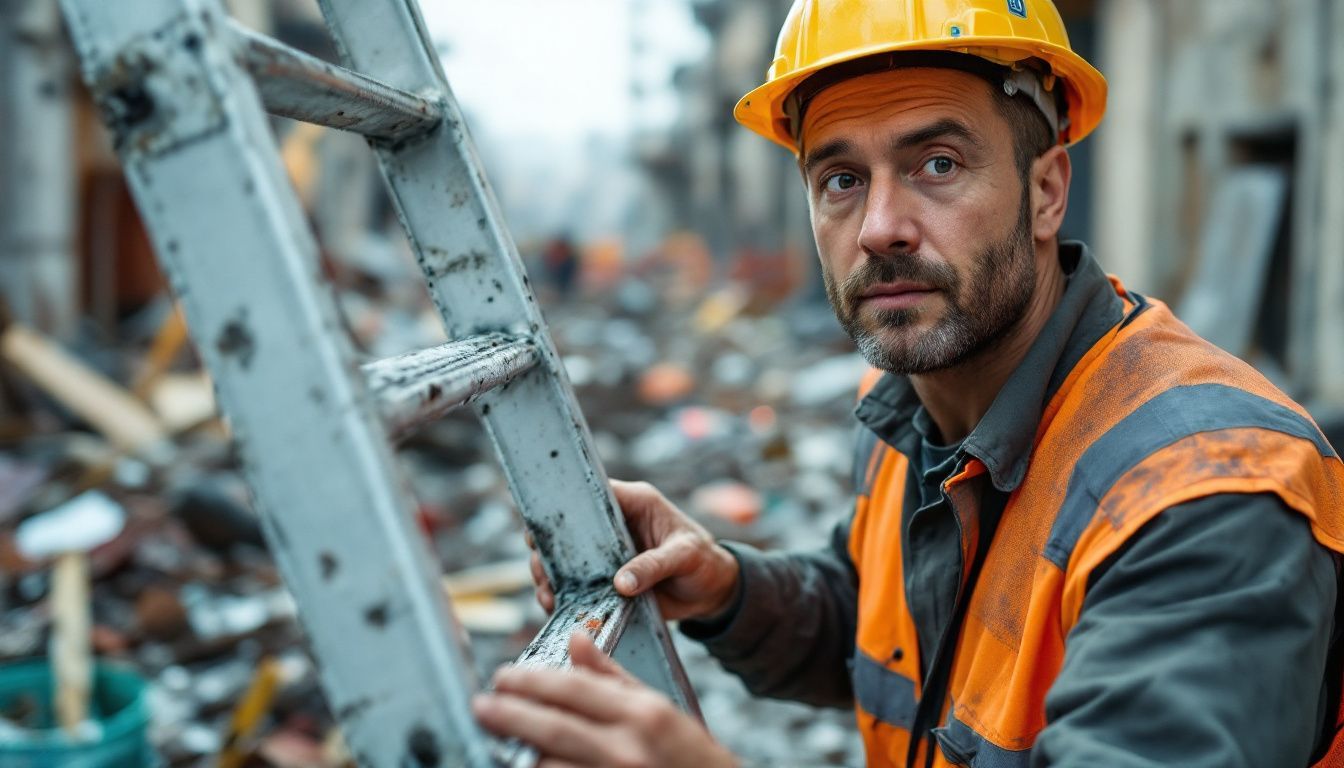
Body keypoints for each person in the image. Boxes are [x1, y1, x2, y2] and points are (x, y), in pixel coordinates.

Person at [472, 1, 1344, 765]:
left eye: (937, 165)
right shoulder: (911, 413)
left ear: (1047, 193)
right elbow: (898, 637)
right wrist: (729, 588)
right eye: (842, 180)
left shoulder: (1207, 494)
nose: (881, 228)